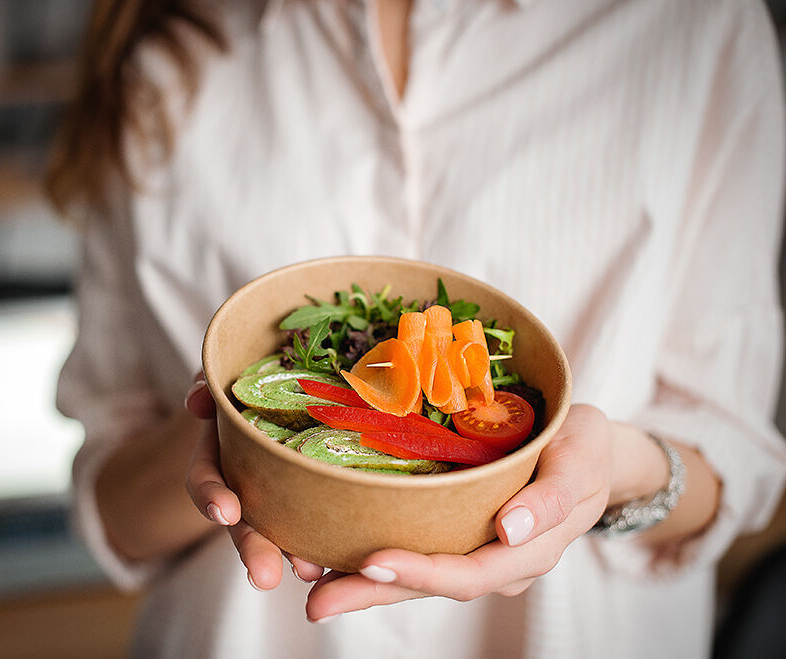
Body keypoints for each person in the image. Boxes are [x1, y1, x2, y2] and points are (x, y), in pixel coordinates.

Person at [47, 0, 786, 657]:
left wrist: (608, 474)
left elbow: (734, 458)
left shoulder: (699, 23)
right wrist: (255, 440)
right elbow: (109, 507)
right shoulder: (166, 55)